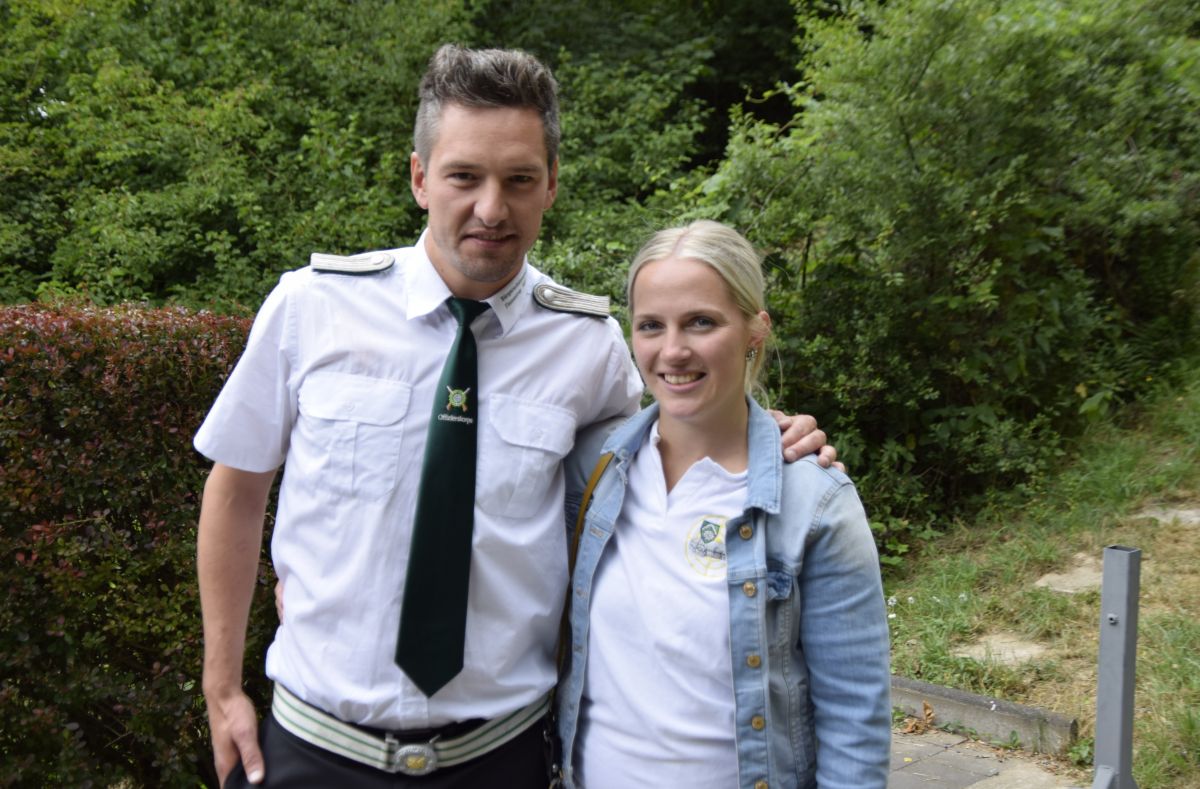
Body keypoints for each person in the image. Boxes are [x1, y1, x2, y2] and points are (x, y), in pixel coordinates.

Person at [195, 46, 835, 788]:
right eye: (464, 176)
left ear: (551, 184)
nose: (492, 209)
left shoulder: (589, 348)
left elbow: (663, 475)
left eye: (519, 180)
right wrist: (221, 685)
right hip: (311, 752)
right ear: (419, 178)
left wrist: (767, 438)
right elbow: (236, 490)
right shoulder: (313, 307)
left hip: (502, 759)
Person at [556, 220, 891, 789]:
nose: (673, 350)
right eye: (651, 325)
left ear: (755, 330)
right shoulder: (592, 468)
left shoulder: (814, 504)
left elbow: (855, 717)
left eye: (701, 322)